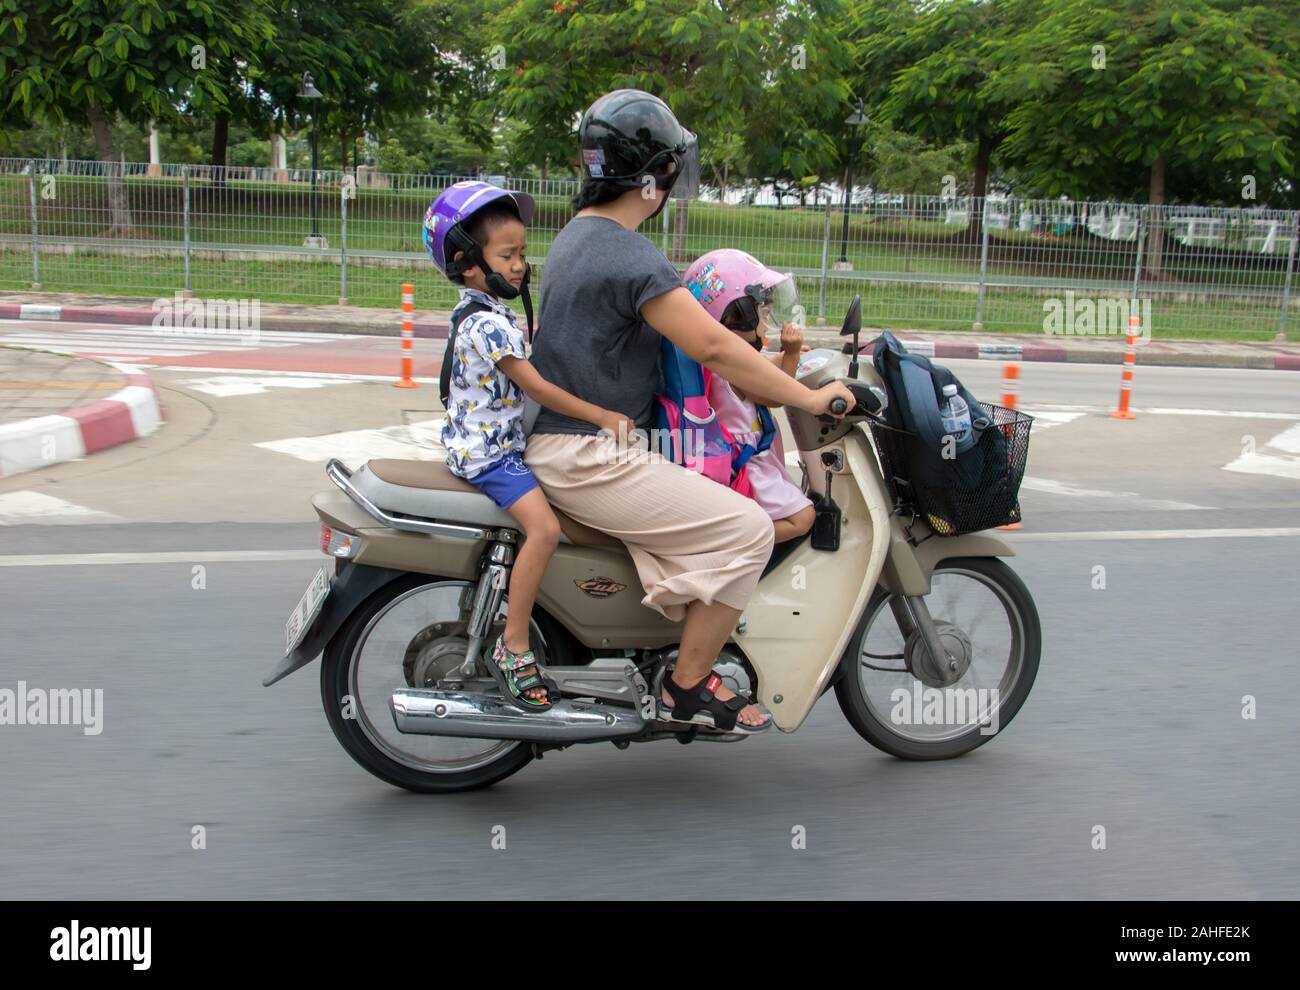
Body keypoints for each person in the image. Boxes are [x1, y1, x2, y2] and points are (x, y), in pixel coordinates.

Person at [523, 89, 855, 734]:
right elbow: (711, 345)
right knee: (750, 529)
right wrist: (812, 398)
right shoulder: (629, 255)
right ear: (655, 176)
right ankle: (688, 686)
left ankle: (668, 643)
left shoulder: (577, 238)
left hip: (579, 444)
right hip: (588, 455)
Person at [423, 181, 635, 710]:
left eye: (522, 253)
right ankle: (515, 646)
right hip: (491, 454)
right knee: (544, 529)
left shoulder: (482, 312)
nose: (520, 265)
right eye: (507, 255)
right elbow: (537, 386)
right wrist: (602, 416)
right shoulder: (489, 326)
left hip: (480, 442)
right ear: (467, 262)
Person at [684, 248, 816, 544]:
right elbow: (774, 394)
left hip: (748, 456)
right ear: (736, 315)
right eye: (763, 313)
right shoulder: (732, 365)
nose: (767, 321)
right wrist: (791, 355)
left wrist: (783, 355)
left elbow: (762, 367)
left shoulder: (722, 357)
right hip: (744, 465)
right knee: (803, 518)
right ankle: (736, 542)